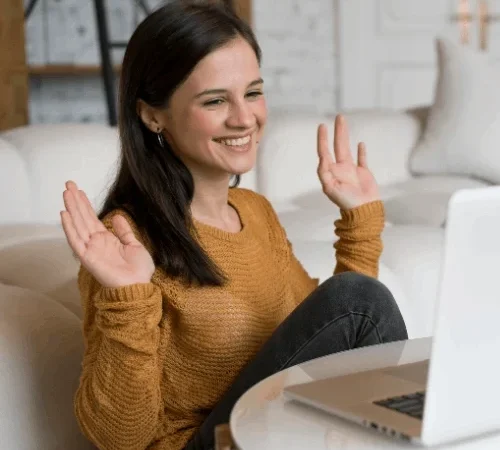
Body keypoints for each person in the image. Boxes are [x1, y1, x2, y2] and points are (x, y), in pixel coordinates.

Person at [60, 1, 407, 449]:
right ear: (152, 115)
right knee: (357, 299)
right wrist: (128, 300)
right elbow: (120, 439)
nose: (245, 118)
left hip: (282, 431)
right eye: (215, 100)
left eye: (254, 92)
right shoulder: (124, 241)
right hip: (205, 443)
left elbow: (336, 345)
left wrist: (358, 222)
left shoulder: (255, 211)